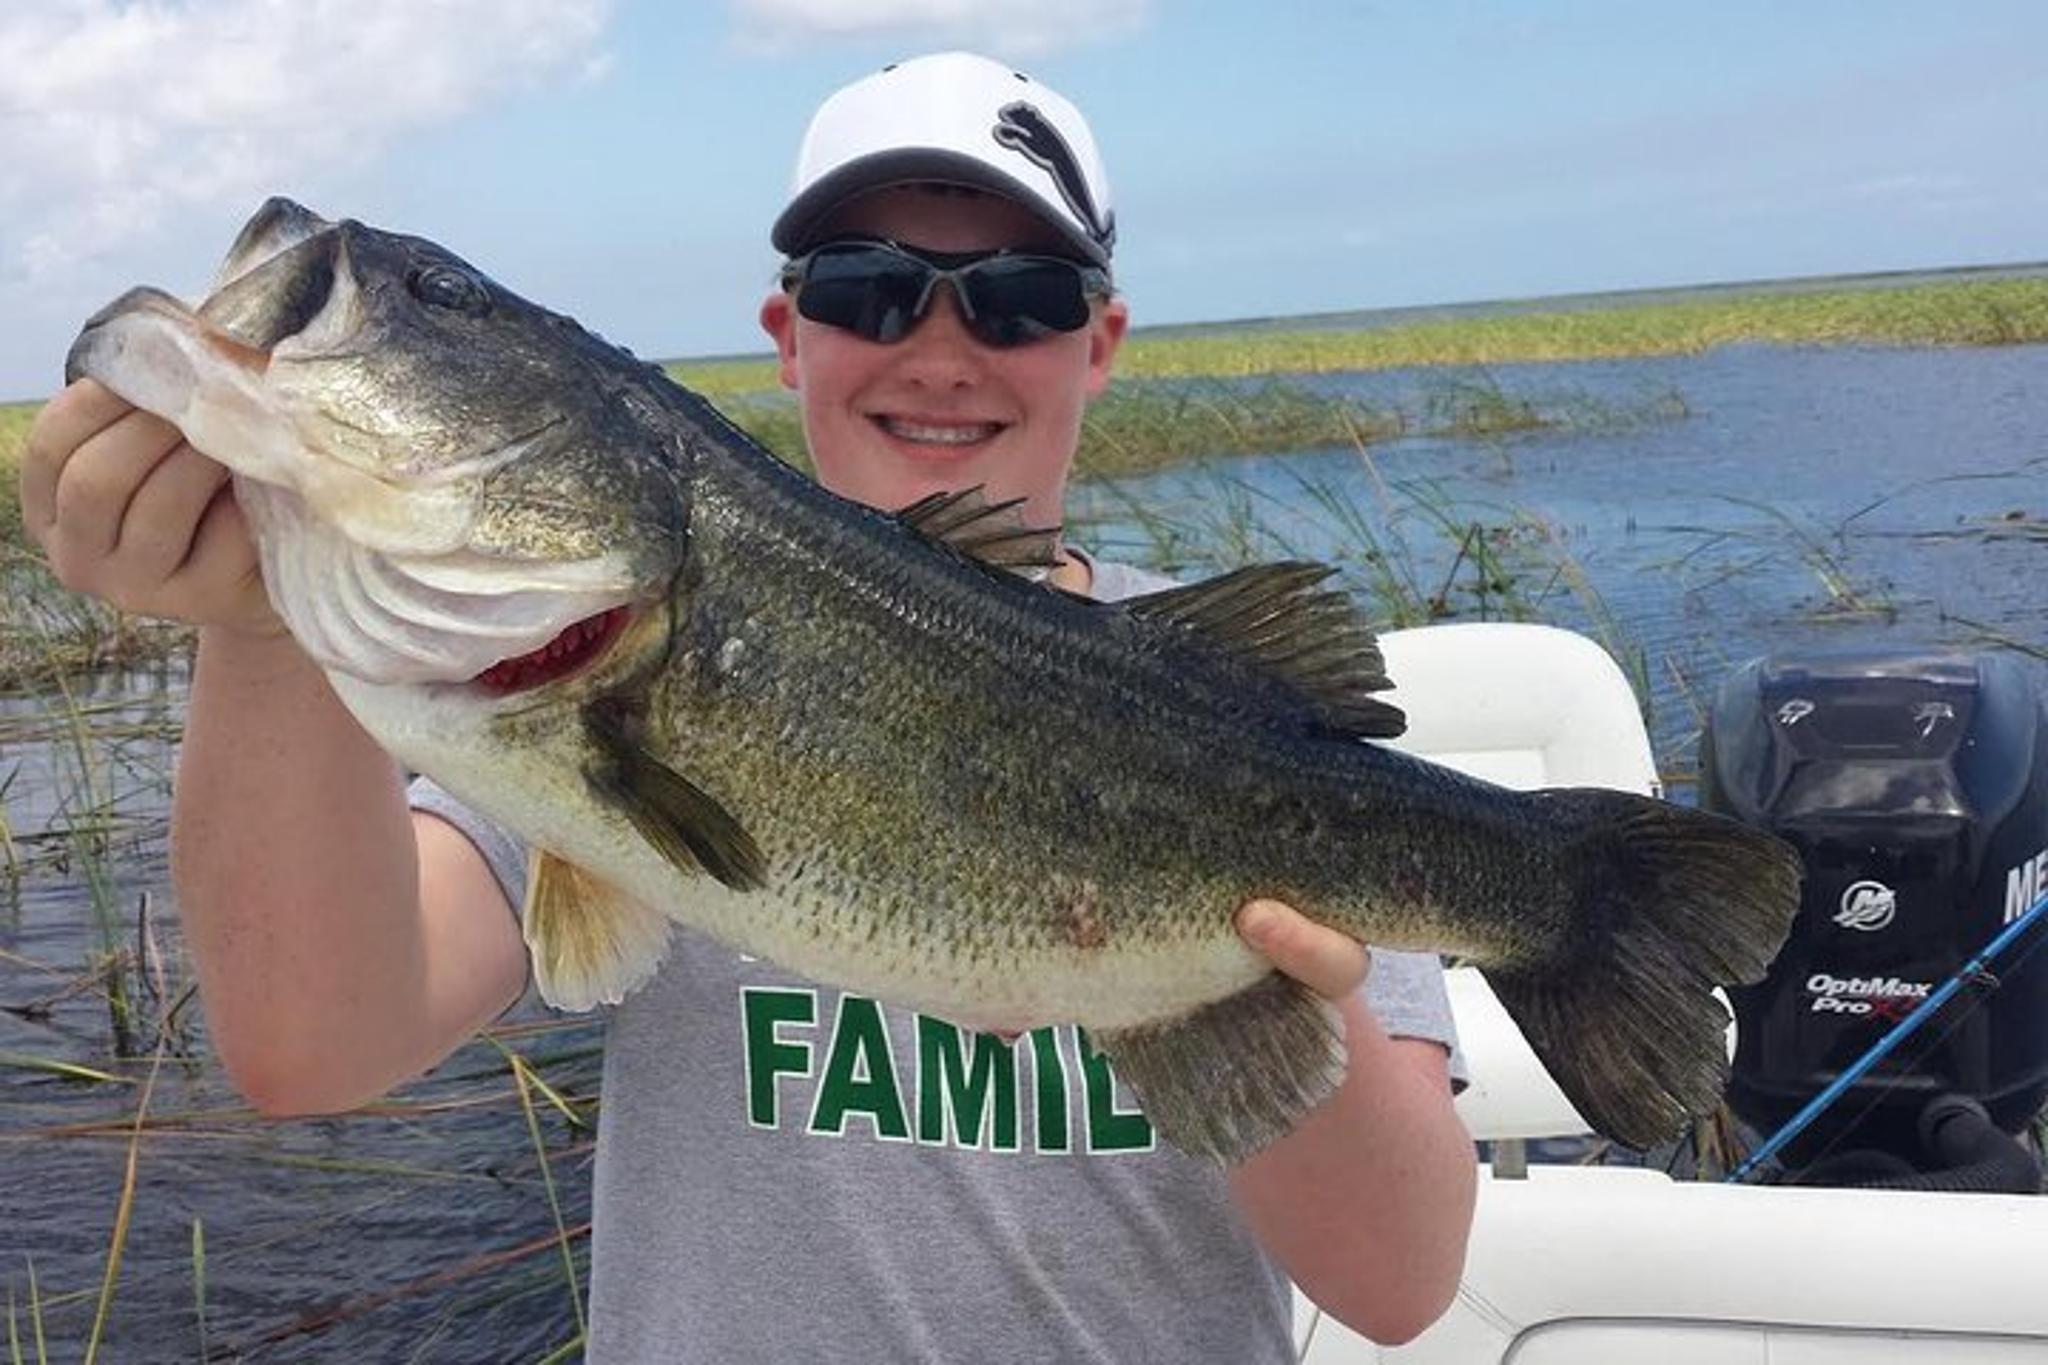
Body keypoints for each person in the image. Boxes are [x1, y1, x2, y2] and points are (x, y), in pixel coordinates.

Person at [20, 50, 1476, 1362]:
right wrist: (265, 625)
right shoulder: (532, 696)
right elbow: (311, 1043)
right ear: (790, 333)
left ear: (1098, 344)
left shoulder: (1235, 719)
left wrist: (1270, 999)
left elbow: (1403, 1281)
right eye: (869, 287)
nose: (941, 344)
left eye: (1022, 299)